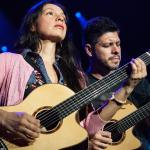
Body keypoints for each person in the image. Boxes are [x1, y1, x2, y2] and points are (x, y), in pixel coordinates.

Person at [0, 1, 146, 149]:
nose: (60, 18)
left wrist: (127, 88)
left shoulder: (76, 77)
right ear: (32, 25)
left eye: (63, 17)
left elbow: (89, 127)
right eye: (50, 13)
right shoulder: (8, 61)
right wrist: (5, 118)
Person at [82, 16, 148, 149]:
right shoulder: (79, 84)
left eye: (118, 44)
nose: (116, 50)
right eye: (107, 45)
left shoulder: (135, 77)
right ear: (89, 50)